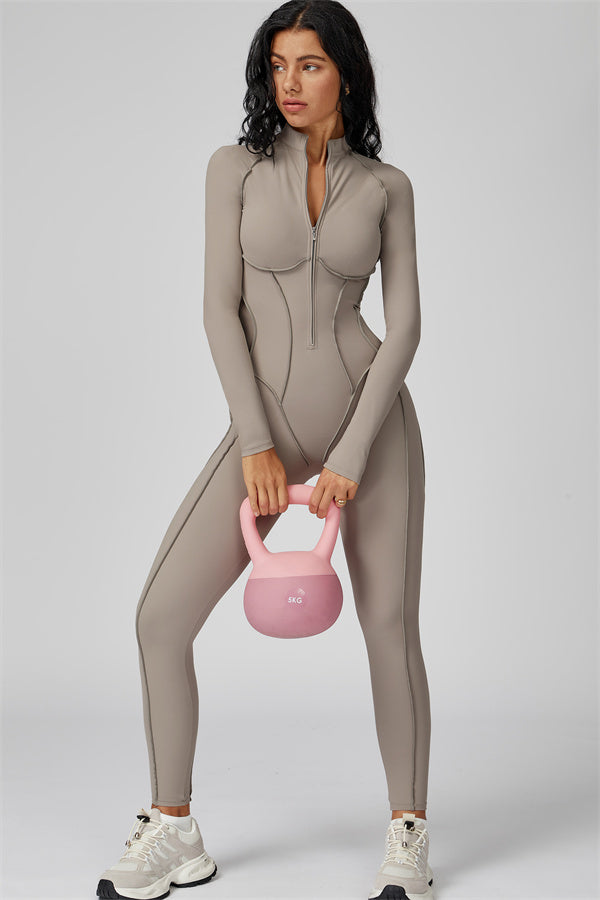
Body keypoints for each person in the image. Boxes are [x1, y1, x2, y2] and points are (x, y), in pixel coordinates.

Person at [96, 2, 434, 899]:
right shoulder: (234, 169)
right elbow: (218, 309)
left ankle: (408, 834)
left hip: (375, 425)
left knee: (390, 628)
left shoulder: (388, 186)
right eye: (277, 65)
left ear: (346, 74)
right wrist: (255, 441)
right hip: (267, 428)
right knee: (160, 618)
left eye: (309, 65)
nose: (289, 82)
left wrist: (352, 451)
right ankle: (174, 829)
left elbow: (404, 328)